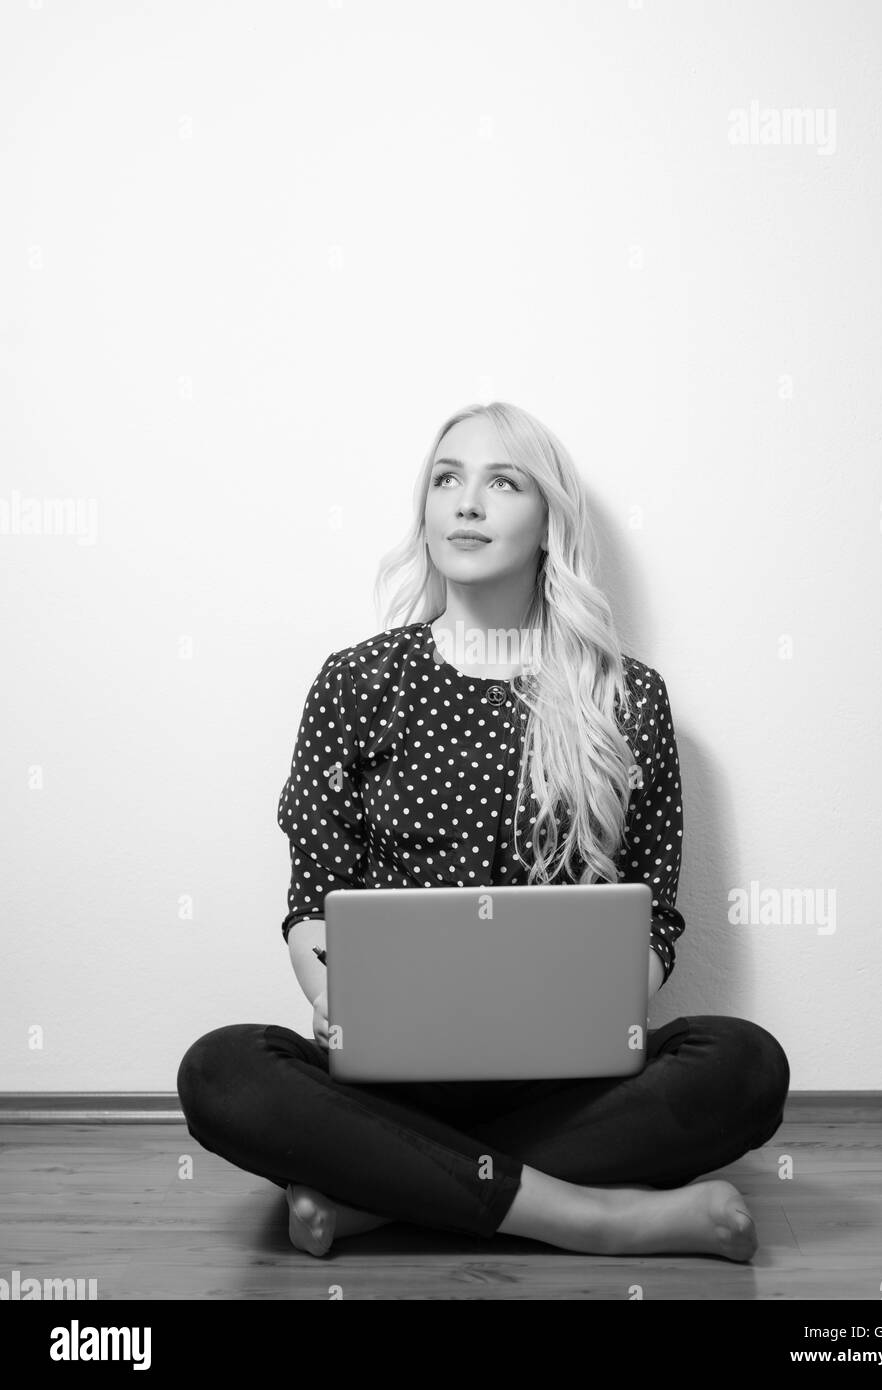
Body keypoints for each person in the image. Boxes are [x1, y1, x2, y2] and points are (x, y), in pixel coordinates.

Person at [176, 400, 790, 1261]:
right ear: (424, 513)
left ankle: (384, 1201)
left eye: (502, 482)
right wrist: (329, 999)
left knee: (745, 1064)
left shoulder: (627, 699)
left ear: (549, 524)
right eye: (445, 480)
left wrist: (598, 1011)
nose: (466, 503)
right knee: (220, 1071)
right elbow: (311, 900)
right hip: (389, 1089)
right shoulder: (357, 683)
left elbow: (653, 921)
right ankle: (595, 1217)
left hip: (567, 1085)